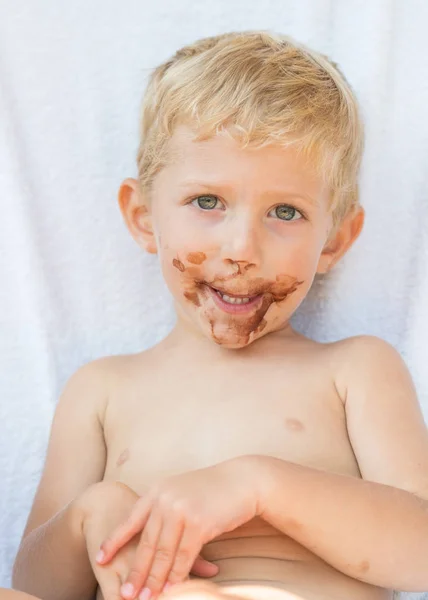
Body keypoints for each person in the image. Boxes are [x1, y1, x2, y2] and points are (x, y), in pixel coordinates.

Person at [11, 30, 428, 600]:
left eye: (286, 211)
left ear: (334, 241)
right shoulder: (101, 391)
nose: (241, 247)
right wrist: (91, 515)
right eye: (207, 202)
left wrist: (258, 484)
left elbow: (422, 555)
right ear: (141, 217)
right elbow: (33, 583)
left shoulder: (354, 371)